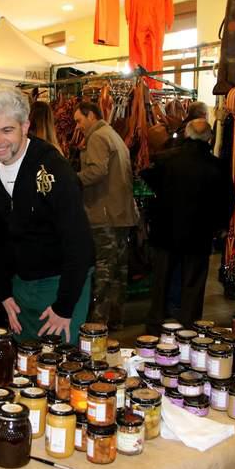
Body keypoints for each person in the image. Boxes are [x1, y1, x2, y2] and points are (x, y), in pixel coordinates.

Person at [0, 85, 94, 345]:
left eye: (7, 130)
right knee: (26, 368)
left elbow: (79, 242)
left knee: (62, 367)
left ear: (25, 126)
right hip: (22, 286)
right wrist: (3, 294)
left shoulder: (54, 168)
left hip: (63, 284)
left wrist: (65, 307)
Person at [140, 119, 234, 333]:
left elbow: (146, 175)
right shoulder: (216, 166)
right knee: (193, 283)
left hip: (165, 231)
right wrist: (220, 226)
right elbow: (228, 199)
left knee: (162, 281)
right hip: (198, 234)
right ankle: (189, 327)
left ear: (186, 135)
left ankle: (155, 326)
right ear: (209, 138)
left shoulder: (165, 161)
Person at [74, 101, 137, 331]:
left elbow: (97, 171)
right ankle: (115, 318)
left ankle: (97, 322)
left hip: (104, 213)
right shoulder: (113, 135)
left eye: (79, 120)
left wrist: (72, 179)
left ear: (91, 115)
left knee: (104, 268)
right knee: (119, 269)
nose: (78, 126)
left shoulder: (98, 137)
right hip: (121, 213)